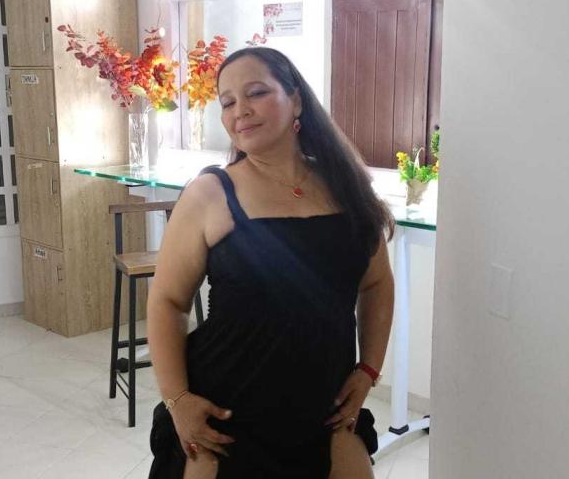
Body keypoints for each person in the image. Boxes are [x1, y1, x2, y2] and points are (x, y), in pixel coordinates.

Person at [146, 47, 395, 479]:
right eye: (227, 102)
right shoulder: (210, 193)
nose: (239, 110)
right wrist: (178, 399)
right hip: (227, 417)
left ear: (296, 100)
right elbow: (167, 301)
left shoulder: (347, 187)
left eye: (256, 93)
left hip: (325, 410)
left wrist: (369, 368)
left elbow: (376, 283)